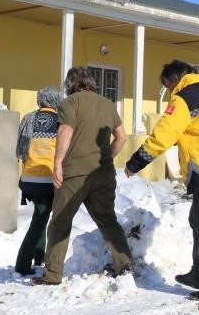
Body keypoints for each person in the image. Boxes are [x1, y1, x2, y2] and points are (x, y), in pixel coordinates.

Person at [125, 59, 199, 300]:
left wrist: (135, 163)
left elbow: (163, 136)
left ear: (173, 80)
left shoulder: (183, 99)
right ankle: (197, 273)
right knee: (197, 219)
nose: (169, 91)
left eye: (167, 86)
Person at [32, 67, 134, 285]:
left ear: (70, 84)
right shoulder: (108, 105)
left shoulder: (70, 103)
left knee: (60, 222)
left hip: (74, 173)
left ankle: (52, 275)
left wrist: (58, 163)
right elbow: (122, 137)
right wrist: (106, 158)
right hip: (103, 174)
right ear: (90, 83)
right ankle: (124, 264)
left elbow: (65, 131)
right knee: (107, 220)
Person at [14, 86, 64, 275]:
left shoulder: (28, 118)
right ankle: (22, 263)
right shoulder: (61, 121)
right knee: (40, 219)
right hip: (50, 178)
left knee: (40, 214)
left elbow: (19, 150)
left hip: (29, 179)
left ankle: (38, 255)